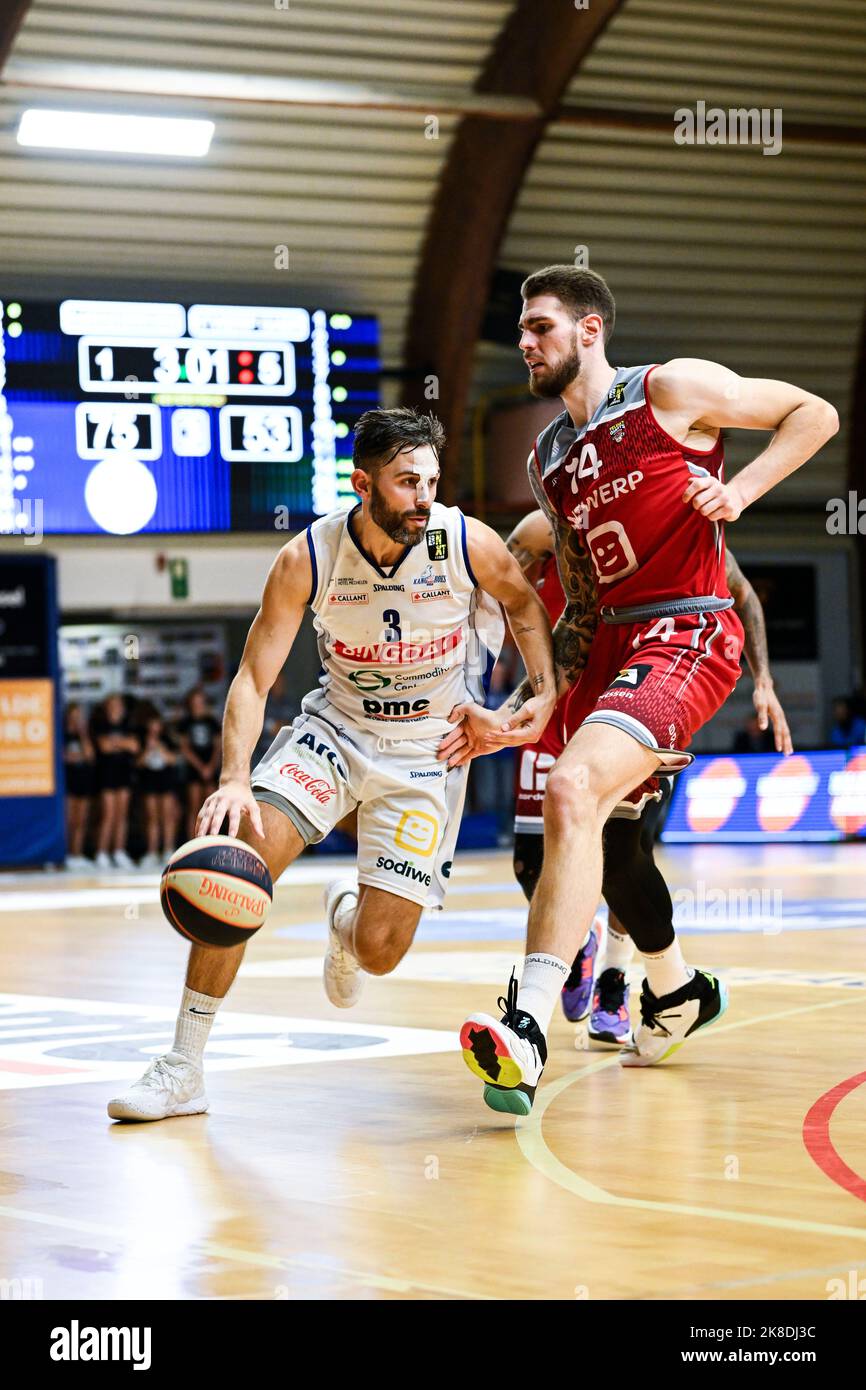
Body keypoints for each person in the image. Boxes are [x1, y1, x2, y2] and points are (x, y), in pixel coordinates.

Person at [453, 264, 838, 1114]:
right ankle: (674, 990)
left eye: (541, 326)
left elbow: (816, 413)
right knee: (616, 848)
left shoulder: (668, 390)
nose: (525, 341)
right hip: (613, 645)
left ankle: (529, 1022)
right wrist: (537, 699)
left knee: (574, 787)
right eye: (521, 328)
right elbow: (585, 601)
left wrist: (738, 490)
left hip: (689, 630)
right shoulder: (549, 459)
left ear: (589, 330)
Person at [107, 406, 555, 1122]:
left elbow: (526, 606)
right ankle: (183, 1065)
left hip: (428, 752)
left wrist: (538, 696)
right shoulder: (306, 558)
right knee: (241, 863)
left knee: (379, 953)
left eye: (432, 481)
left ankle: (346, 924)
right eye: (408, 481)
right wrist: (231, 777)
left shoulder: (465, 543)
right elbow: (253, 679)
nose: (424, 497)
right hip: (335, 733)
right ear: (363, 483)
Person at [506, 508, 791, 1046]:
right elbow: (503, 596)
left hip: (651, 680)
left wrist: (765, 681)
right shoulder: (544, 528)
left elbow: (743, 592)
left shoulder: (672, 521)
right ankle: (661, 983)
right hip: (570, 690)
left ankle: (610, 984)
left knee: (622, 844)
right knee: (540, 861)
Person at [90, 693, 139, 871]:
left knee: (122, 815)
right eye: (113, 704)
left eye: (119, 704)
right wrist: (123, 743)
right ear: (107, 706)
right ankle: (102, 852)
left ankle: (119, 851)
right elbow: (103, 747)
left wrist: (115, 742)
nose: (116, 707)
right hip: (106, 775)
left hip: (123, 774)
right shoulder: (100, 724)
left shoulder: (128, 725)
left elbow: (134, 746)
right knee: (108, 814)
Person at [175, 687, 222, 842]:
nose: (198, 705)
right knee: (194, 808)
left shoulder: (211, 722)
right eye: (195, 702)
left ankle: (211, 840)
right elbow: (184, 748)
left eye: (200, 702)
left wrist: (211, 766)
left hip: (210, 767)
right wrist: (200, 767)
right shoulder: (185, 722)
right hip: (194, 768)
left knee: (212, 807)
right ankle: (193, 842)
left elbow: (217, 746)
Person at [136, 712, 180, 869]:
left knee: (167, 817)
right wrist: (148, 749)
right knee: (151, 818)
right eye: (151, 724)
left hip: (165, 780)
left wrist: (160, 748)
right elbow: (139, 763)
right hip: (149, 782)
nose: (154, 727)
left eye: (156, 724)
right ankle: (152, 852)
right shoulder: (141, 739)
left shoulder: (167, 739)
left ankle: (168, 850)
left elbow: (173, 760)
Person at [62, 701, 96, 870]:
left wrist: (82, 734)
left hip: (83, 781)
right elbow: (64, 757)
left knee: (81, 821)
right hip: (68, 783)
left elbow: (89, 755)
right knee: (69, 820)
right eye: (74, 716)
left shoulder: (84, 735)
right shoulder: (61, 734)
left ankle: (77, 854)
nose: (77, 719)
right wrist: (77, 756)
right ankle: (65, 854)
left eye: (79, 716)